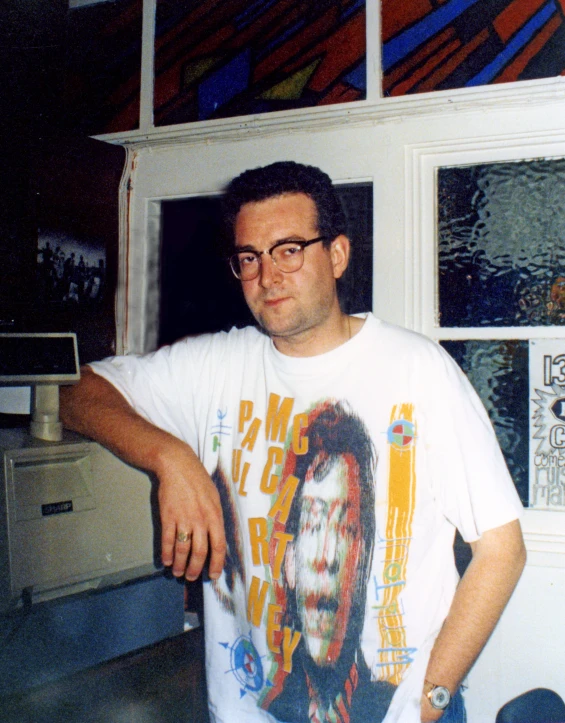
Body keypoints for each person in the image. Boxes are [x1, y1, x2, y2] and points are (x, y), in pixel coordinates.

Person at [60, 161, 526, 723]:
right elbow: (72, 389)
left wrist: (431, 701)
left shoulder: (416, 370)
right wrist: (171, 457)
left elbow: (501, 551)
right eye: (250, 258)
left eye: (288, 250)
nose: (267, 276)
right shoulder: (216, 367)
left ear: (336, 255)